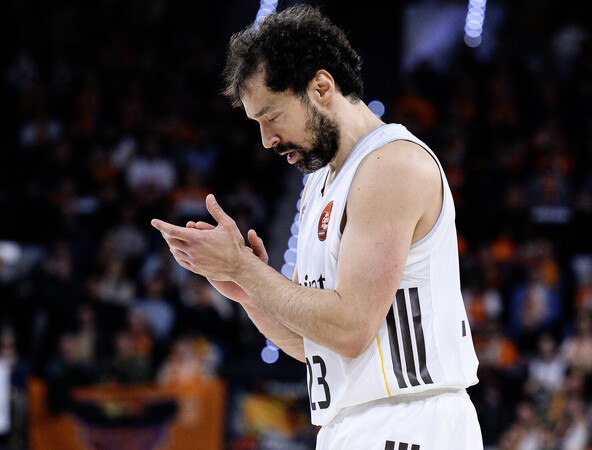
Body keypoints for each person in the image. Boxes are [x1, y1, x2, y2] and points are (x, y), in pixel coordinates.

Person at [151, 5, 482, 448]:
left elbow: (349, 328)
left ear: (321, 87)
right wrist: (244, 288)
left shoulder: (390, 165)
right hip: (357, 424)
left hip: (409, 422)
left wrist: (248, 269)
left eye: (272, 117)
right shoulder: (318, 184)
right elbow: (317, 345)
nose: (267, 139)